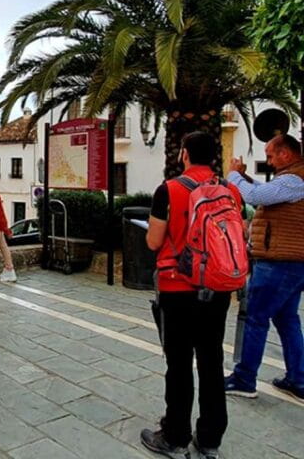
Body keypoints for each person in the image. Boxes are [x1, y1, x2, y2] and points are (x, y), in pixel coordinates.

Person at [141, 132, 243, 459]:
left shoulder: (168, 190)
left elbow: (154, 242)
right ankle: (209, 439)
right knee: (212, 362)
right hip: (217, 288)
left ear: (184, 154)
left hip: (177, 288)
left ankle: (175, 436)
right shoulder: (230, 191)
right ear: (215, 156)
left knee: (180, 364)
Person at [223, 134, 304, 401]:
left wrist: (234, 176)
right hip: (290, 263)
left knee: (256, 318)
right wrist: (244, 179)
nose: (268, 160)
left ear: (286, 154)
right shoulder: (290, 180)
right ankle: (298, 379)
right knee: (287, 320)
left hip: (279, 264)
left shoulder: (294, 180)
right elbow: (262, 192)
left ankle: (244, 379)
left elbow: (256, 195)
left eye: (270, 155)